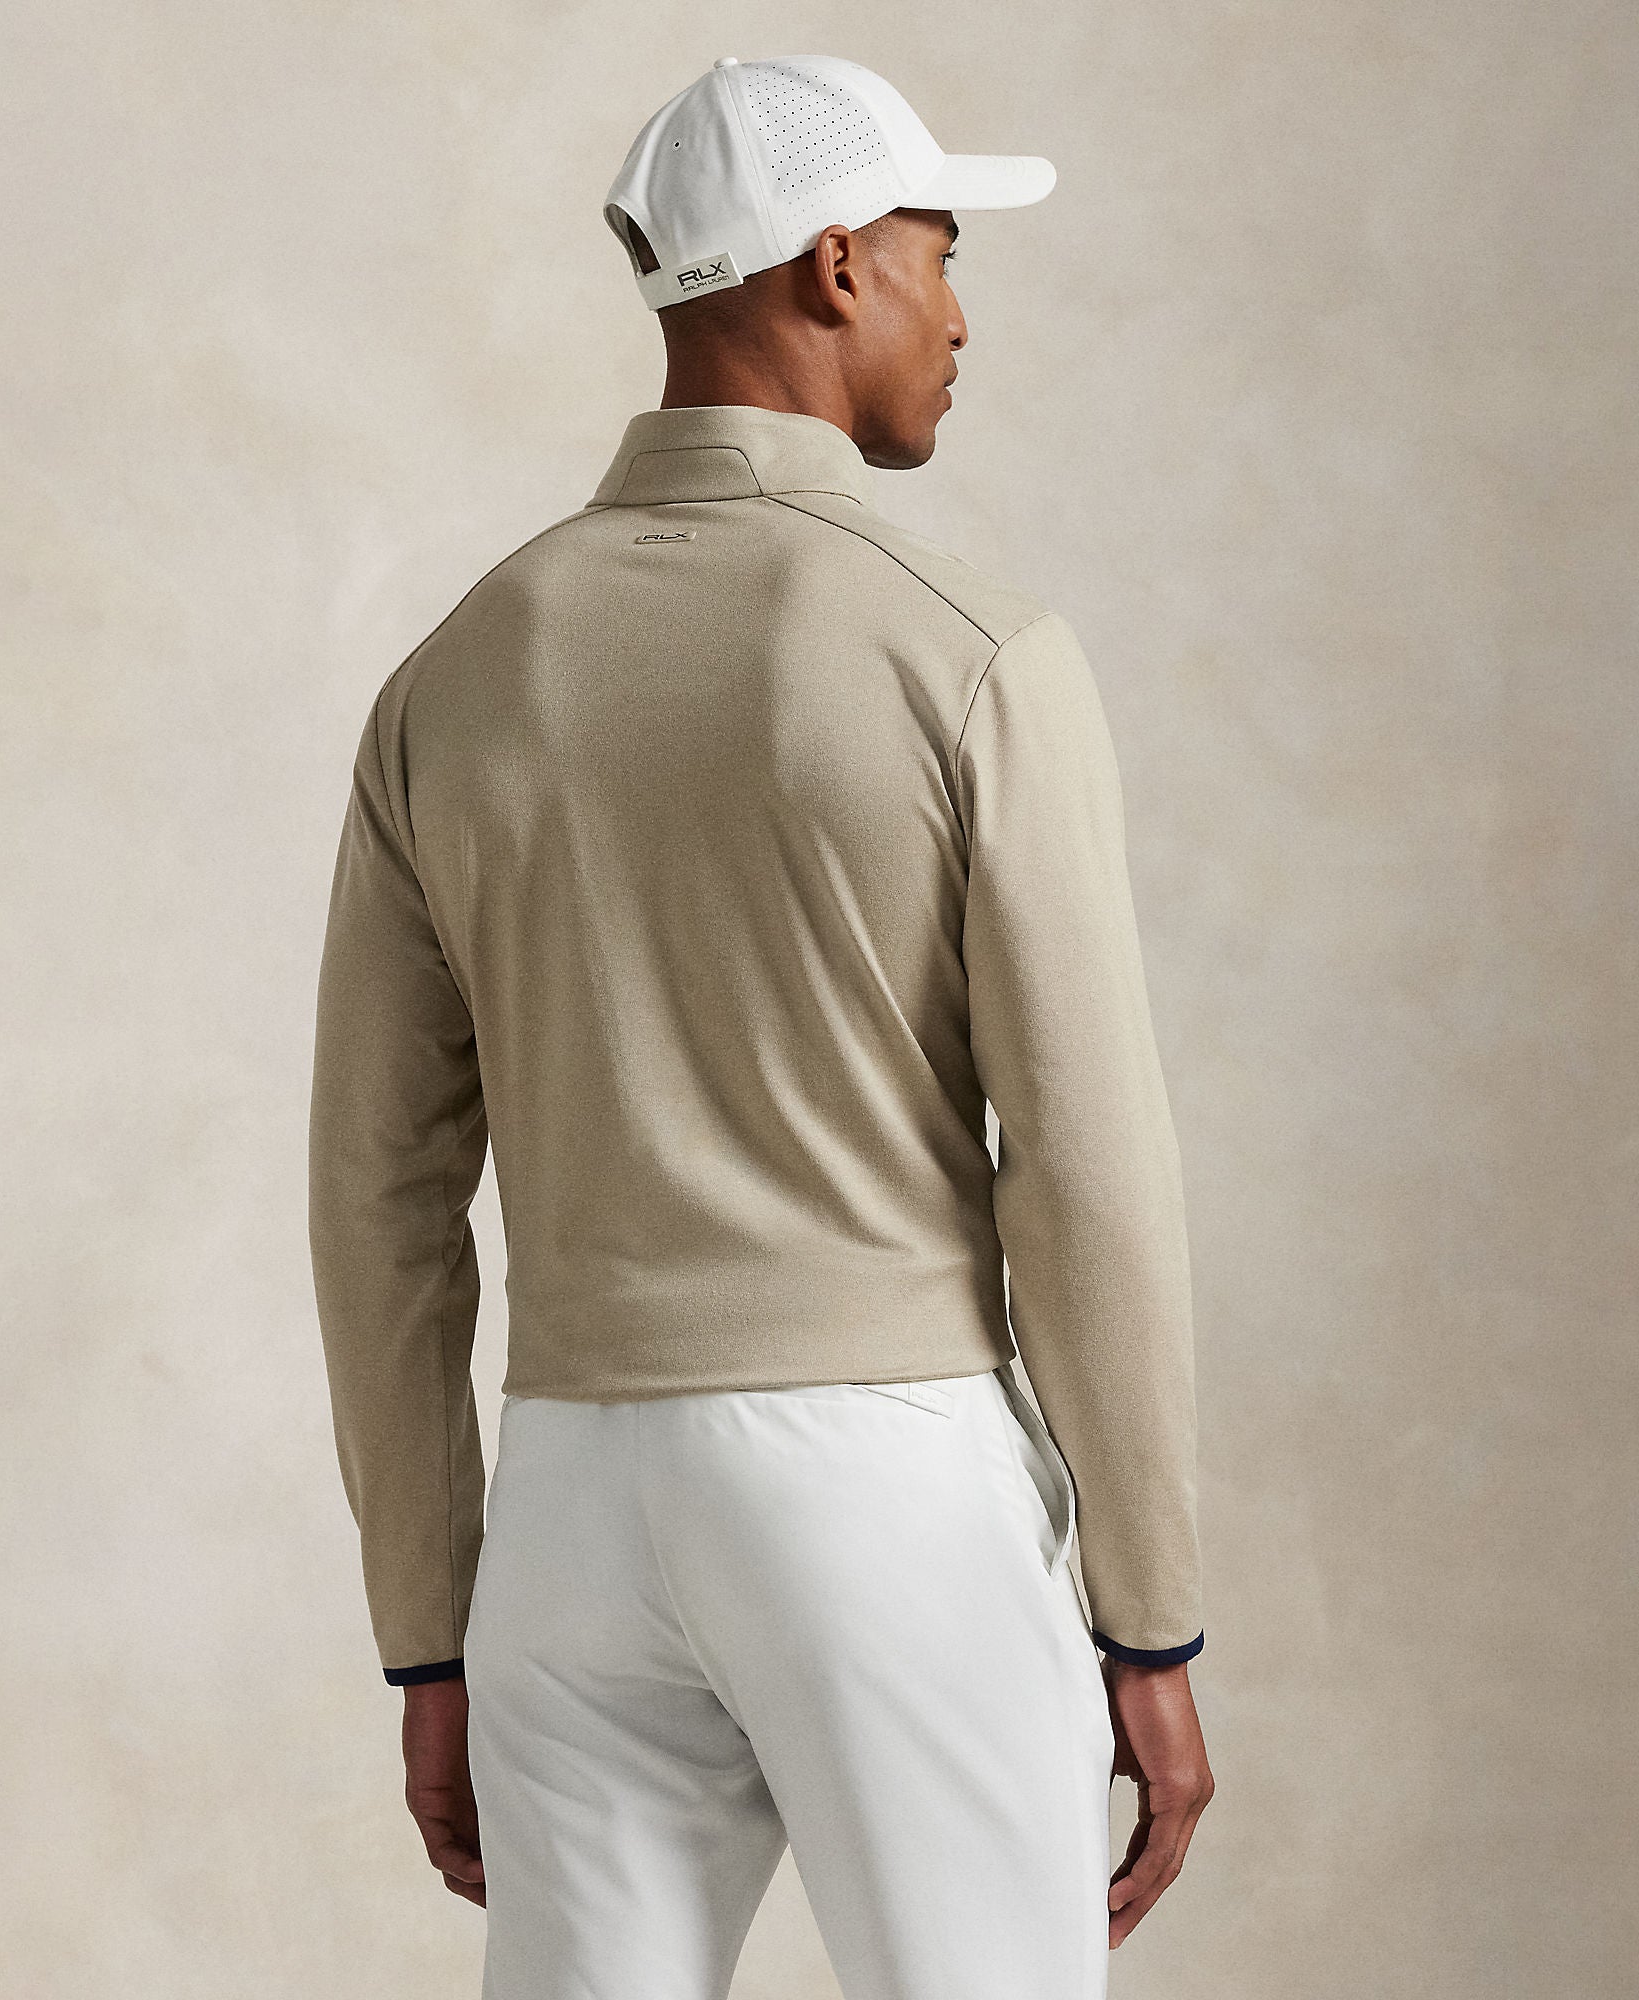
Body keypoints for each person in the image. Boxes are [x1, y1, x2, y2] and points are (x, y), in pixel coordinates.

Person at [308, 51, 1213, 2000]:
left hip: (572, 1504)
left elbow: (378, 1194)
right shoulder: (966, 650)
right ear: (834, 267)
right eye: (940, 255)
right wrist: (1149, 1618)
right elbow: (1086, 1168)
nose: (957, 315)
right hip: (884, 1478)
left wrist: (431, 1630)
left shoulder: (456, 677)